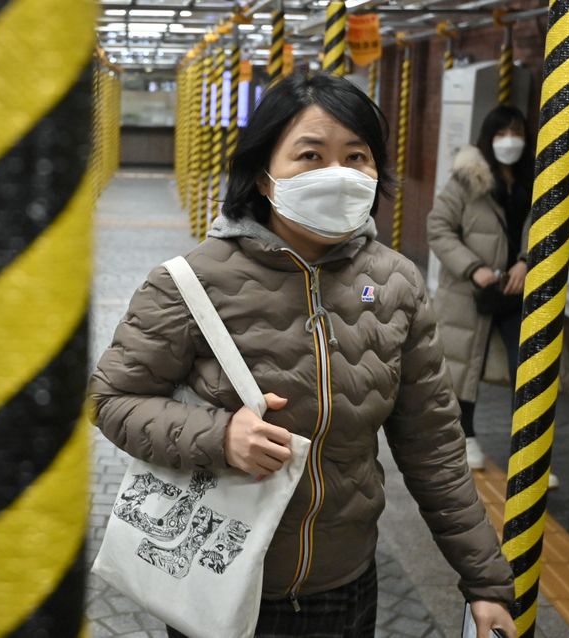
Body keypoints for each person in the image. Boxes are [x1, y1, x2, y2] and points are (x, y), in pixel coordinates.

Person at [90, 72, 516, 638]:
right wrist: (220, 437)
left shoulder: (396, 287)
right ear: (265, 176)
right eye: (310, 155)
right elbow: (112, 398)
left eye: (356, 156)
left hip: (346, 587)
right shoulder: (191, 282)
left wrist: (484, 582)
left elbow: (434, 446)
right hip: (221, 579)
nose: (336, 175)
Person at [427, 105, 545, 480]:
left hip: (518, 289)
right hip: (472, 289)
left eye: (517, 133)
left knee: (526, 364)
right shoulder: (467, 180)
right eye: (501, 133)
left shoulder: (536, 181)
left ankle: (528, 447)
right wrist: (474, 268)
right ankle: (467, 435)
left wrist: (527, 261)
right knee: (464, 362)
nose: (509, 141)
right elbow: (439, 228)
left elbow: (545, 227)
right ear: (487, 138)